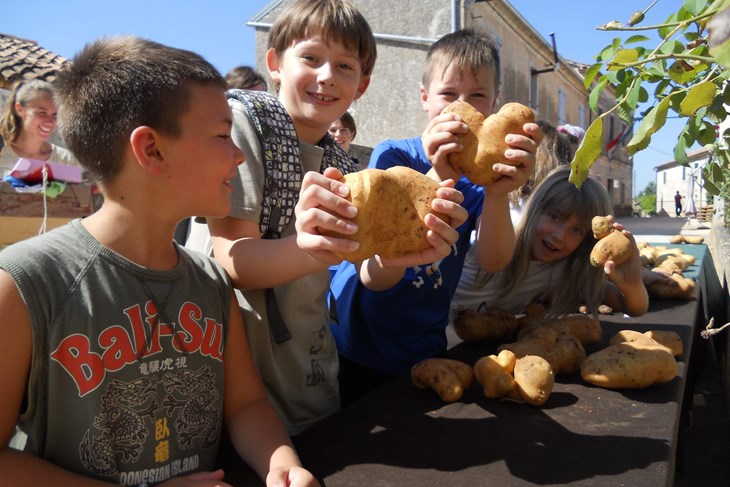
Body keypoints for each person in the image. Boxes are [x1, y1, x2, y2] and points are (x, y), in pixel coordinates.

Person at [0, 36, 318, 486]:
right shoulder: (24, 284)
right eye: (222, 135)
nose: (240, 154)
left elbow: (246, 405)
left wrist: (280, 464)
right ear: (150, 150)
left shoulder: (209, 279)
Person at [192, 0, 466, 436]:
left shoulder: (344, 166)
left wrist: (397, 257)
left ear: (362, 85)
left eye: (344, 66)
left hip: (308, 377)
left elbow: (368, 273)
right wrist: (311, 248)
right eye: (311, 58)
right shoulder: (245, 128)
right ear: (274, 62)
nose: (326, 76)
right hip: (239, 386)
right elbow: (230, 261)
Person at [329, 29, 542, 406]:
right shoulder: (393, 155)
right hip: (359, 342)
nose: (461, 107)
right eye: (448, 94)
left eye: (477, 96)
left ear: (494, 103)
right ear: (425, 98)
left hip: (426, 346)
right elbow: (377, 253)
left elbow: (494, 259)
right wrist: (439, 171)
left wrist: (498, 190)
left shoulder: (481, 182)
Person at [451, 165, 649, 320]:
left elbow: (634, 308)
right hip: (436, 347)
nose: (559, 235)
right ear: (535, 209)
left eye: (577, 230)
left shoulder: (561, 271)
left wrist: (632, 283)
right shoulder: (496, 242)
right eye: (555, 217)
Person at [0, 79, 79, 177]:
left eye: (55, 114)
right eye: (42, 113)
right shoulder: (3, 155)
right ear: (20, 110)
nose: (50, 121)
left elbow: (78, 189)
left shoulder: (66, 160)